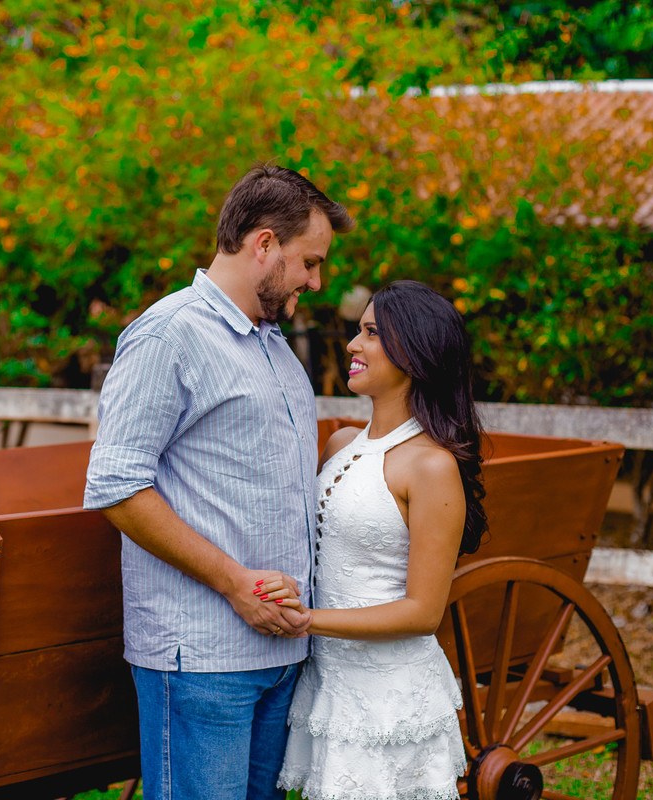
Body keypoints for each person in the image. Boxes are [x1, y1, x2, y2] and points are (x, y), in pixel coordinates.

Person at [83, 164, 355, 800]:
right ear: (264, 244)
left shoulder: (274, 346)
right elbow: (118, 487)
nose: (317, 281)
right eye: (310, 262)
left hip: (279, 652)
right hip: (203, 657)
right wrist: (237, 586)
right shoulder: (169, 335)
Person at [256, 280, 488, 800]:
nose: (352, 346)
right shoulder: (340, 444)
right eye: (358, 331)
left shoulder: (431, 465)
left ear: (415, 350)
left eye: (371, 333)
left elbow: (424, 611)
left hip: (390, 695)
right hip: (329, 682)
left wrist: (308, 621)